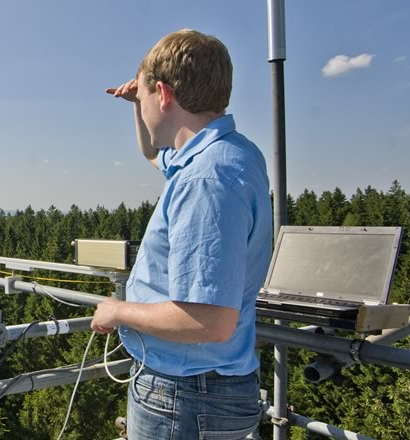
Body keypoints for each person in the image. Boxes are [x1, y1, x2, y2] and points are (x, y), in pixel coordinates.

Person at [91, 29, 272, 439]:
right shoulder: (230, 153)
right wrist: (138, 106)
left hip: (186, 397)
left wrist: (117, 311)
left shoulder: (207, 179)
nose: (143, 104)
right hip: (202, 393)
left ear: (165, 94)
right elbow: (154, 154)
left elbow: (210, 320)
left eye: (146, 97)